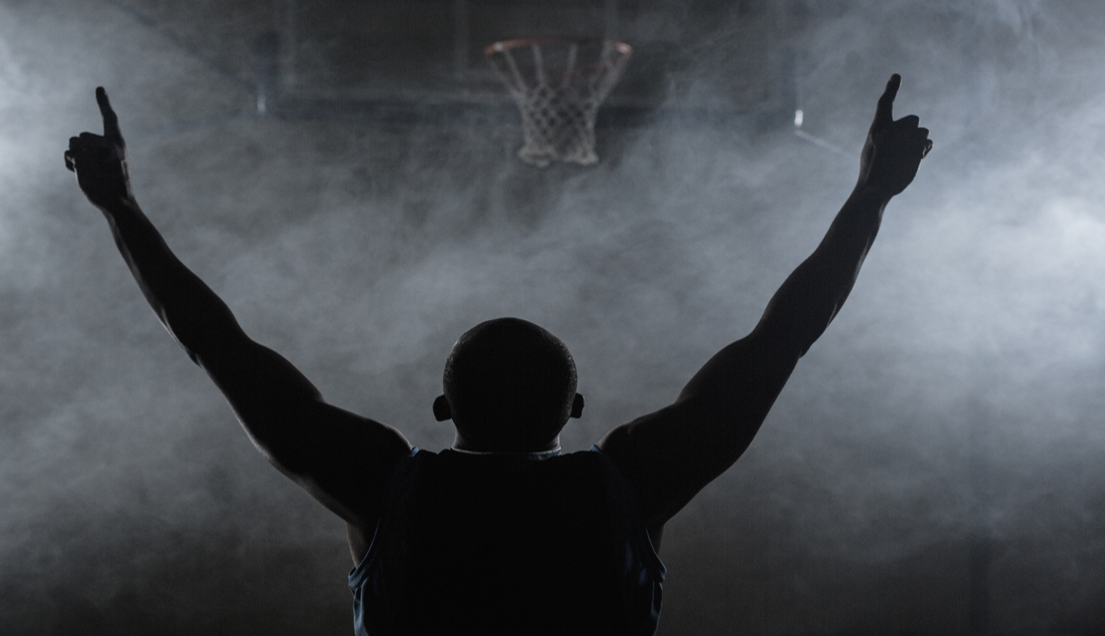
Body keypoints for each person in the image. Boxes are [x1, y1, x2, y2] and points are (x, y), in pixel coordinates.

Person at [65, 74, 931, 636]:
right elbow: (785, 337)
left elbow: (213, 343)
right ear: (576, 409)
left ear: (442, 411)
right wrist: (870, 196)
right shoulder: (630, 478)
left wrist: (122, 210)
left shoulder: (381, 478)